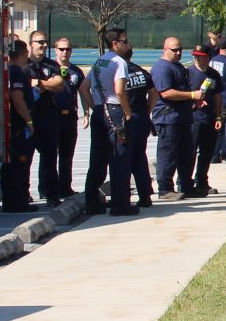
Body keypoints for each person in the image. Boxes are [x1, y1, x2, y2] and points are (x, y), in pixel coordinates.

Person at [84, 28, 138, 217]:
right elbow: (120, 90)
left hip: (100, 110)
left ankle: (91, 201)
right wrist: (127, 112)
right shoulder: (119, 62)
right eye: (124, 40)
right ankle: (120, 204)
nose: (127, 44)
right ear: (115, 43)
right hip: (115, 111)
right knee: (119, 158)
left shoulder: (100, 60)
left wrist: (95, 107)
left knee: (98, 158)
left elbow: (84, 88)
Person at [151, 37, 201, 200]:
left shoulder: (178, 66)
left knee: (186, 154)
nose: (178, 52)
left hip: (183, 117)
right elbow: (166, 93)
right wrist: (192, 94)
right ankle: (165, 189)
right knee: (168, 154)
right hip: (168, 118)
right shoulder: (161, 68)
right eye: (174, 50)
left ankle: (186, 185)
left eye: (180, 49)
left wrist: (194, 100)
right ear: (165, 49)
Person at [24, 31, 67, 207]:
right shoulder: (23, 65)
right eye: (39, 42)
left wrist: (40, 84)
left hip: (48, 115)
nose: (43, 45)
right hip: (29, 116)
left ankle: (51, 194)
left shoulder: (51, 65)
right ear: (31, 44)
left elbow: (59, 84)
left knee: (50, 157)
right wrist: (43, 84)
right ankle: (23, 194)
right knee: (25, 157)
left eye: (45, 42)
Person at [48, 36, 89, 204]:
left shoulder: (76, 71)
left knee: (67, 154)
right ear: (55, 50)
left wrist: (86, 113)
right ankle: (47, 189)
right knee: (49, 155)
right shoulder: (49, 68)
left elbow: (83, 92)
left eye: (68, 49)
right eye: (61, 49)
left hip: (69, 116)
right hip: (52, 116)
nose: (65, 52)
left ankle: (65, 187)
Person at [0, 40, 36, 213]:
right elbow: (17, 98)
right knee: (19, 163)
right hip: (19, 125)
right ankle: (18, 202)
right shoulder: (17, 72)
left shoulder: (8, 71)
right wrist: (29, 121)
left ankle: (13, 201)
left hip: (11, 124)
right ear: (23, 54)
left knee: (12, 165)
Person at [122, 36, 157, 208]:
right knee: (139, 158)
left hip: (128, 118)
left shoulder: (121, 72)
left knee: (124, 159)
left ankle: (123, 196)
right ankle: (145, 195)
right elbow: (154, 93)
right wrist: (148, 111)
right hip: (142, 117)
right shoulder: (141, 72)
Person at [187, 45, 224, 196]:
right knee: (190, 152)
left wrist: (218, 115)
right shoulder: (188, 73)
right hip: (193, 119)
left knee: (207, 152)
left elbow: (217, 96)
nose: (197, 58)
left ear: (208, 57)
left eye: (201, 55)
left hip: (209, 118)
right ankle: (186, 182)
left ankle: (202, 181)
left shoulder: (214, 74)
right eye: (195, 55)